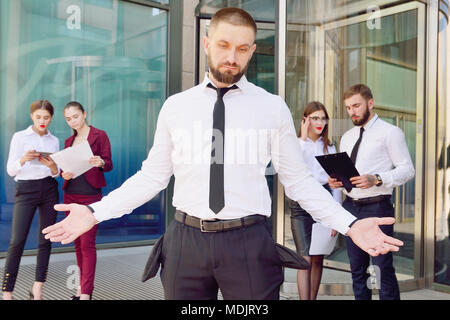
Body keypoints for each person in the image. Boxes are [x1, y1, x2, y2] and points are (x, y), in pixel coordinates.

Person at [43, 8, 404, 300]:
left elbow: (298, 183)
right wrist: (95, 213)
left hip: (248, 243)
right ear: (206, 43)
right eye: (224, 45)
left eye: (243, 48)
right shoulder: (175, 107)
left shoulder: (272, 108)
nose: (232, 57)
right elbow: (152, 177)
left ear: (252, 51)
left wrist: (351, 224)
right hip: (186, 242)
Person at [328, 84, 415, 300]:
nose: (352, 112)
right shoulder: (347, 136)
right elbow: (347, 171)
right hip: (350, 207)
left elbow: (407, 169)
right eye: (348, 108)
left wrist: (376, 178)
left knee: (381, 269)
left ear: (370, 103)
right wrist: (338, 181)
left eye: (356, 105)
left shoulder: (390, 132)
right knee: (357, 270)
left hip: (377, 206)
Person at [2, 100, 59, 300]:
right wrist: (23, 159)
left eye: (46, 117)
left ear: (51, 118)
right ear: (31, 116)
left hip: (49, 189)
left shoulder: (54, 140)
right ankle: (7, 291)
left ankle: (38, 287)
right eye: (38, 117)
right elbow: (10, 169)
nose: (42, 121)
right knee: (17, 240)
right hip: (26, 190)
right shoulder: (19, 137)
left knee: (45, 240)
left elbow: (56, 173)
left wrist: (53, 167)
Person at [61, 101, 113, 300]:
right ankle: (81, 287)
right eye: (68, 119)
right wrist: (64, 174)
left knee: (87, 244)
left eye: (75, 116)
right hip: (71, 193)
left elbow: (108, 164)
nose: (72, 121)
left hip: (90, 195)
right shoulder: (68, 141)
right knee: (77, 243)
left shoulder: (100, 135)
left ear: (84, 114)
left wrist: (100, 162)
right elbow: (66, 168)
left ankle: (86, 293)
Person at [289, 101, 340, 300]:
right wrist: (301, 138)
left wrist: (336, 215)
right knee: (305, 258)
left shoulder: (330, 146)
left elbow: (336, 182)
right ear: (305, 120)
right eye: (315, 118)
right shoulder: (295, 144)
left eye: (323, 118)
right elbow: (293, 167)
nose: (320, 123)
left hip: (323, 203)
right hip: (300, 205)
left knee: (318, 258)